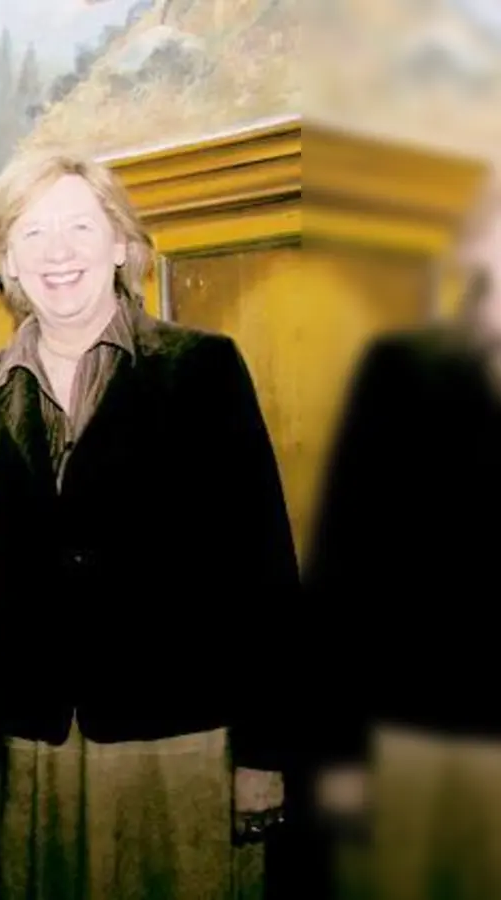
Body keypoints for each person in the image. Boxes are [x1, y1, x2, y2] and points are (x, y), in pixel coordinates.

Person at [0, 149, 296, 899]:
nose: (59, 253)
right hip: (36, 747)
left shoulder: (202, 368)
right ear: (8, 263)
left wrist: (265, 753)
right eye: (32, 233)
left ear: (121, 244)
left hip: (179, 737)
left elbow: (263, 567)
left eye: (81, 227)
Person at [307, 168, 501, 900]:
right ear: (478, 245)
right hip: (414, 744)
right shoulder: (400, 373)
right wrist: (340, 755)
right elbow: (343, 575)